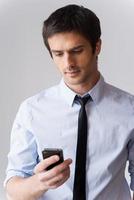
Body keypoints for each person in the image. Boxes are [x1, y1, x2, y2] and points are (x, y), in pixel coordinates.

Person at [4, 4, 134, 200]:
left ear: (96, 46)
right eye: (58, 54)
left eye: (77, 50)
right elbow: (13, 188)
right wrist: (40, 182)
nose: (68, 63)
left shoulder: (129, 109)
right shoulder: (31, 110)